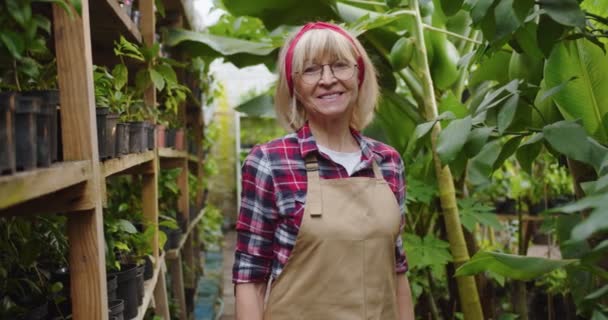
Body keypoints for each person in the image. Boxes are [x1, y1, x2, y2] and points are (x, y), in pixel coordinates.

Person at [233, 21, 415, 320]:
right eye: (310, 70)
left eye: (340, 66)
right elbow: (250, 279)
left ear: (359, 75)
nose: (328, 80)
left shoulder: (388, 162)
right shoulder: (269, 162)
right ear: (294, 87)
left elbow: (397, 271)